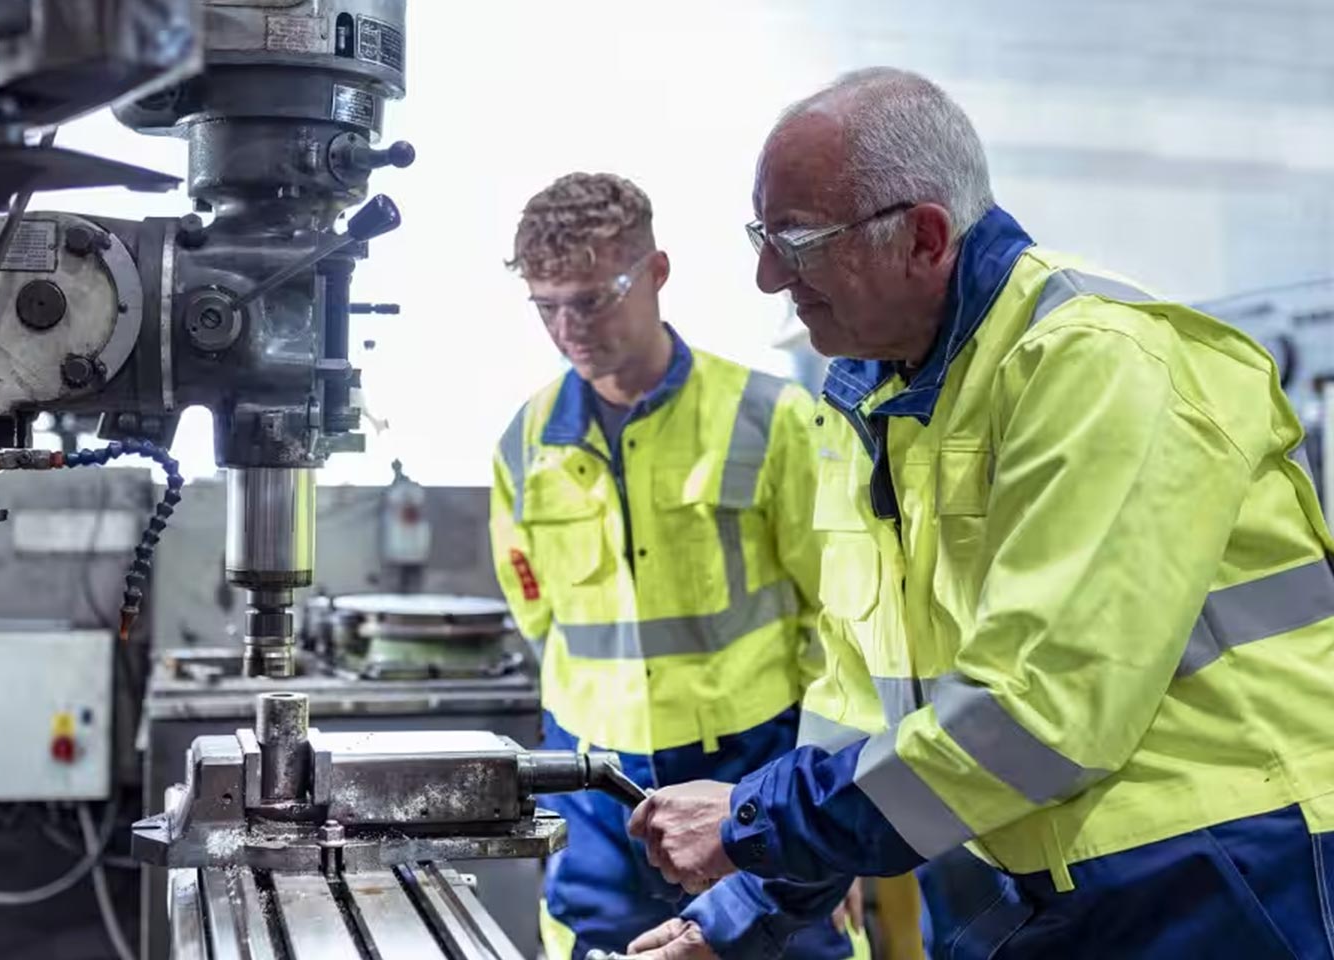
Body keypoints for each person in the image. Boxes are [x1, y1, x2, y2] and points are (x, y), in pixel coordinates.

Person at [626, 67, 1334, 959]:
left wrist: (755, 822)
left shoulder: (1095, 361)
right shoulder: (873, 404)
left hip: (1210, 874)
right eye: (763, 235)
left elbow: (1042, 714)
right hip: (1016, 877)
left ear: (923, 238)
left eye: (798, 239)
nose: (770, 275)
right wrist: (741, 913)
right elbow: (859, 704)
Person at [489, 172, 862, 960]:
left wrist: (834, 801)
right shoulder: (525, 444)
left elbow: (846, 621)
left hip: (754, 771)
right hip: (593, 789)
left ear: (656, 272)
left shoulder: (774, 420)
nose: (569, 328)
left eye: (590, 299)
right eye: (546, 306)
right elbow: (539, 615)